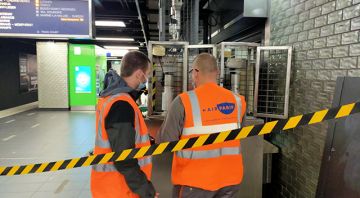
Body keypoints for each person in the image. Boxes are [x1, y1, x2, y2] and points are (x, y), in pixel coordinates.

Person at [157, 53, 246, 198]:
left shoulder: (183, 101)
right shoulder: (238, 101)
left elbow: (166, 142)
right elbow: (238, 133)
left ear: (196, 72)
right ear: (217, 72)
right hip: (230, 181)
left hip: (194, 183)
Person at [91, 51, 156, 198]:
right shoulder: (121, 104)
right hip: (119, 189)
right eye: (148, 74)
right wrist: (146, 190)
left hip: (110, 188)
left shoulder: (112, 97)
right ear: (139, 74)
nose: (147, 79)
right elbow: (124, 159)